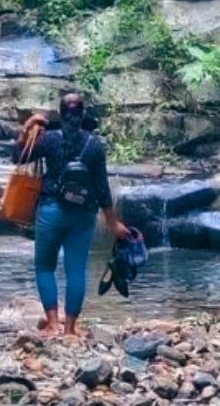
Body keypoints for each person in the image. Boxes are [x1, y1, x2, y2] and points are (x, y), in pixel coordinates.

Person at [14, 91, 136, 339]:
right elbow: (102, 188)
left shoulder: (49, 140)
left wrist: (27, 128)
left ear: (60, 113)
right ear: (83, 115)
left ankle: (52, 324)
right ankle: (70, 328)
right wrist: (113, 223)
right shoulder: (94, 146)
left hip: (51, 211)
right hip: (83, 215)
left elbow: (18, 157)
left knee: (45, 267)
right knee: (76, 269)